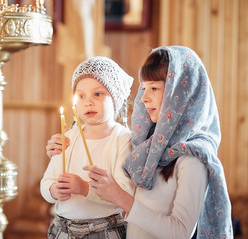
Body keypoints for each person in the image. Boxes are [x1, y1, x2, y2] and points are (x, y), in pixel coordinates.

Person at [47, 46, 233, 239]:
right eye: (144, 88)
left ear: (181, 93)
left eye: (154, 88)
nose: (143, 97)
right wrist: (65, 144)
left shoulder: (192, 158)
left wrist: (120, 197)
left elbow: (180, 232)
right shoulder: (149, 146)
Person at [40, 56, 134, 239]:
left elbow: (125, 192)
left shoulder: (122, 139)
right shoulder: (68, 137)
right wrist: (53, 191)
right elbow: (47, 181)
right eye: (81, 96)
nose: (88, 102)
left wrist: (84, 188)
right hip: (62, 230)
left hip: (103, 230)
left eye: (97, 94)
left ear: (115, 97)